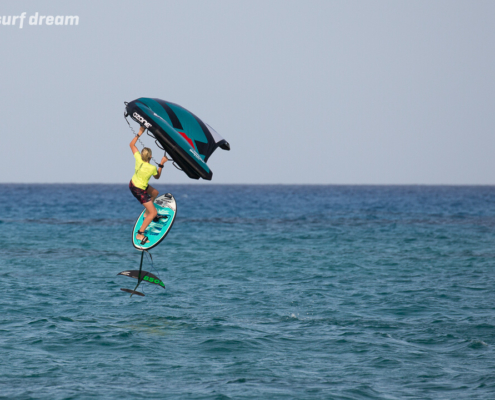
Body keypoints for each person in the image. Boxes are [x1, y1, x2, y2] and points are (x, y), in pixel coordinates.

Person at [129, 126, 168, 244]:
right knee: (154, 212)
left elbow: (132, 145)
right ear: (150, 157)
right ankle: (140, 234)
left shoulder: (138, 159)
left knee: (155, 193)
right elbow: (157, 176)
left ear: (142, 155)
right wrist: (161, 164)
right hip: (138, 189)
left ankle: (148, 212)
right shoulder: (152, 168)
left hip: (133, 184)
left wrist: (140, 132)